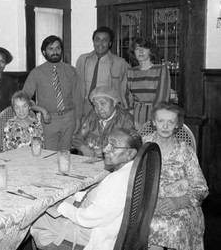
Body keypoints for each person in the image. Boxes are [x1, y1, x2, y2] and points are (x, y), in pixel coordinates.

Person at [30, 128, 142, 249]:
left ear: (130, 153)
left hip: (93, 235)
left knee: (36, 218)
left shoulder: (117, 180)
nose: (105, 150)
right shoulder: (134, 172)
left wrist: (61, 206)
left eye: (113, 146)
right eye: (107, 144)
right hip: (109, 228)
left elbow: (88, 219)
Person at [143, 102, 208, 250]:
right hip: (147, 201)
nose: (165, 126)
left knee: (172, 226)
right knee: (143, 222)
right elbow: (129, 177)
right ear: (154, 122)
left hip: (181, 204)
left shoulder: (185, 151)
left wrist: (178, 202)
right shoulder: (143, 145)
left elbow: (201, 189)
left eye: (170, 122)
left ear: (177, 124)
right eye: (161, 121)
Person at [23, 35, 82, 151]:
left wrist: (78, 120)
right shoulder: (36, 73)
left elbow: (77, 97)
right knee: (49, 155)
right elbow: (24, 99)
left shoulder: (71, 70)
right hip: (49, 120)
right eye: (51, 49)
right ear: (44, 52)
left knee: (65, 154)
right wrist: (42, 110)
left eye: (58, 48)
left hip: (69, 118)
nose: (55, 51)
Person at [76, 26, 129, 117]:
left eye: (104, 40)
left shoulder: (120, 63)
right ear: (93, 41)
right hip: (85, 108)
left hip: (108, 109)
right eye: (97, 39)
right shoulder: (83, 60)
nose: (100, 43)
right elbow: (76, 85)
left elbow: (126, 89)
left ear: (110, 43)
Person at [72, 86, 134, 157]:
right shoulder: (93, 115)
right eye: (95, 105)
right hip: (90, 160)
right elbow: (77, 138)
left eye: (103, 103)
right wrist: (83, 148)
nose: (99, 109)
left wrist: (104, 151)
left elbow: (129, 144)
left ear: (114, 103)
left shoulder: (124, 118)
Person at [126, 37, 170, 129]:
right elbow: (127, 96)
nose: (141, 51)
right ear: (133, 52)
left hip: (154, 115)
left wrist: (153, 119)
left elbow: (162, 97)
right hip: (135, 115)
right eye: (137, 49)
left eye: (144, 48)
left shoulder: (161, 70)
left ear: (150, 51)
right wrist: (131, 117)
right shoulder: (130, 71)